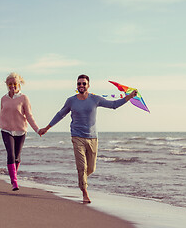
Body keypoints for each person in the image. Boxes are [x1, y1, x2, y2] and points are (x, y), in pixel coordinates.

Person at [38, 74, 137, 203]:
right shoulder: (71, 101)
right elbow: (60, 114)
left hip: (92, 138)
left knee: (91, 169)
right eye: (79, 83)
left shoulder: (95, 99)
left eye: (84, 83)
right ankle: (85, 192)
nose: (81, 86)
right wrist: (47, 127)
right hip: (77, 136)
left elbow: (113, 105)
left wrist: (129, 96)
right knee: (82, 167)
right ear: (76, 86)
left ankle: (81, 179)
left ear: (88, 85)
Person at [0, 72, 40, 191]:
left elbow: (29, 115)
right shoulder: (3, 99)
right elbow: (2, 113)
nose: (12, 86)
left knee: (17, 157)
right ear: (7, 85)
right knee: (11, 154)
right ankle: (14, 182)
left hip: (20, 131)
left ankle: (13, 175)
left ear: (19, 84)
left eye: (15, 83)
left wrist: (37, 129)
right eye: (10, 84)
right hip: (6, 130)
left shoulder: (24, 98)